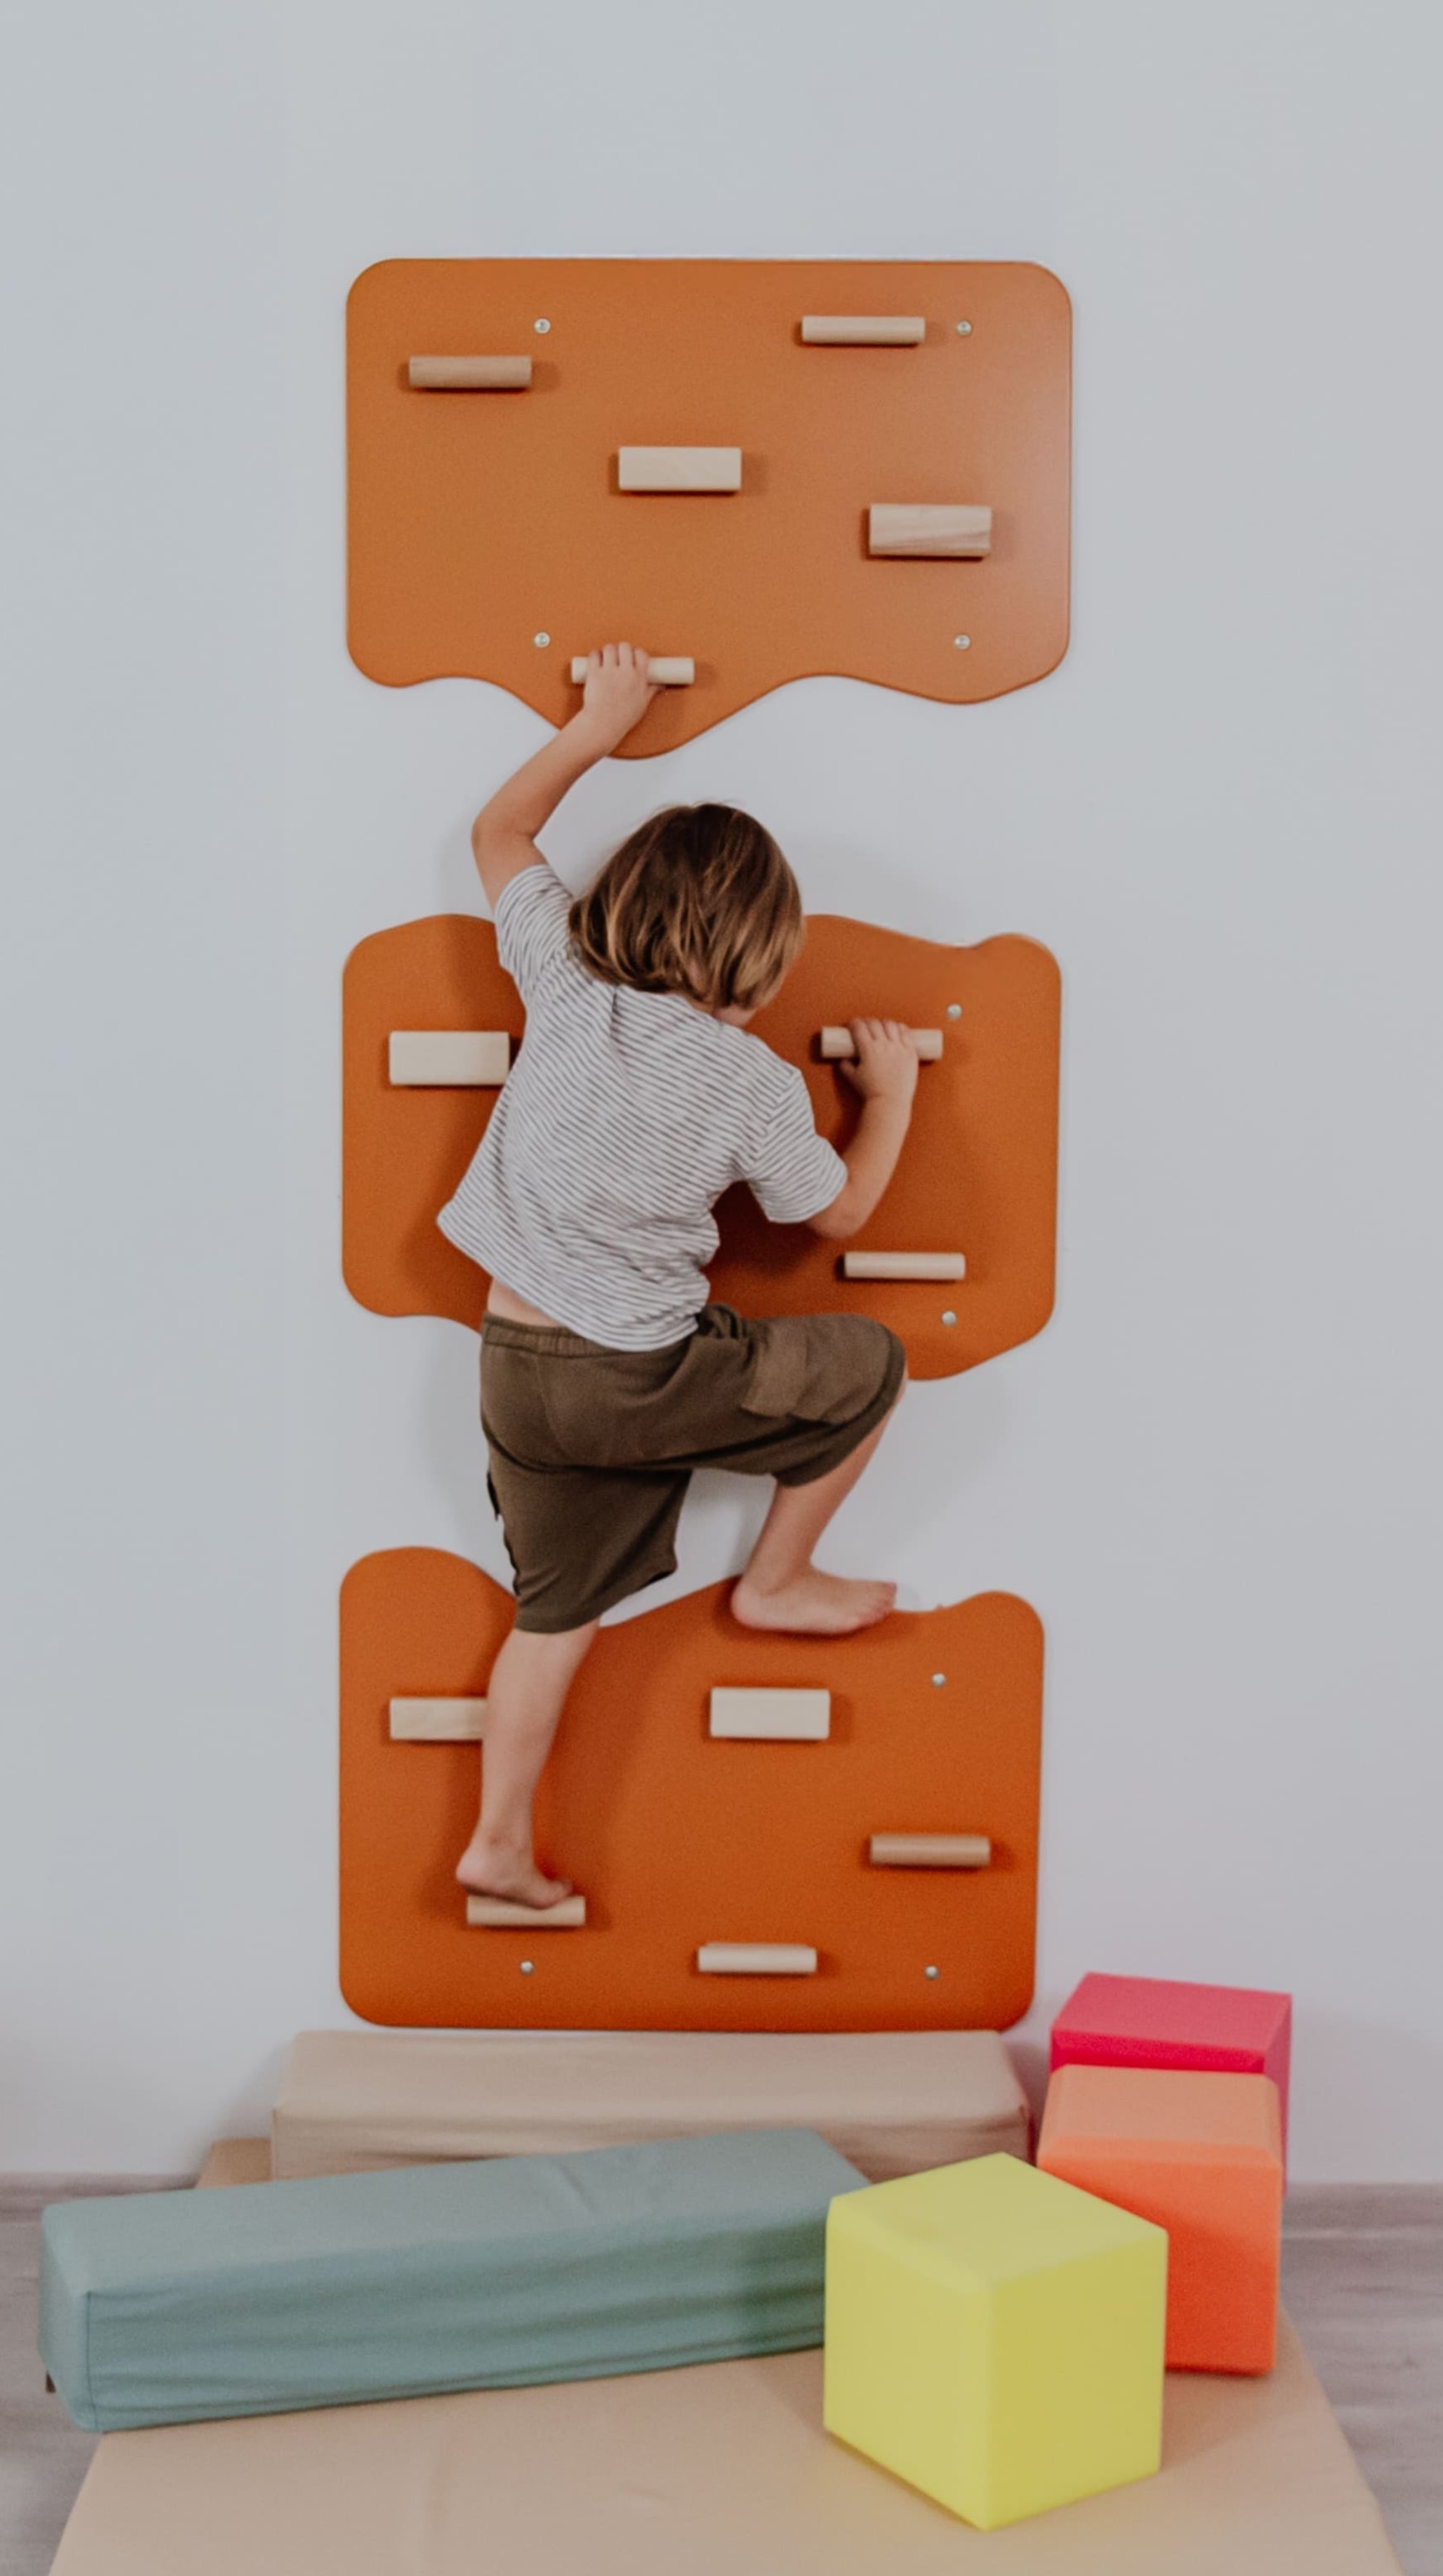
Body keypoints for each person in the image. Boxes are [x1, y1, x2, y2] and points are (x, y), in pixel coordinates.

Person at [440, 642, 918, 1911]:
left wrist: (602, 723)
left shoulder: (561, 974)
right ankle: (777, 1581)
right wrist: (895, 1096)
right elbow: (842, 1213)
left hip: (514, 1375)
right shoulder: (753, 1083)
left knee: (555, 1614)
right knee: (865, 1366)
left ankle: (497, 1846)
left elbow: (499, 827)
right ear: (765, 956)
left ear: (623, 904)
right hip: (636, 1375)